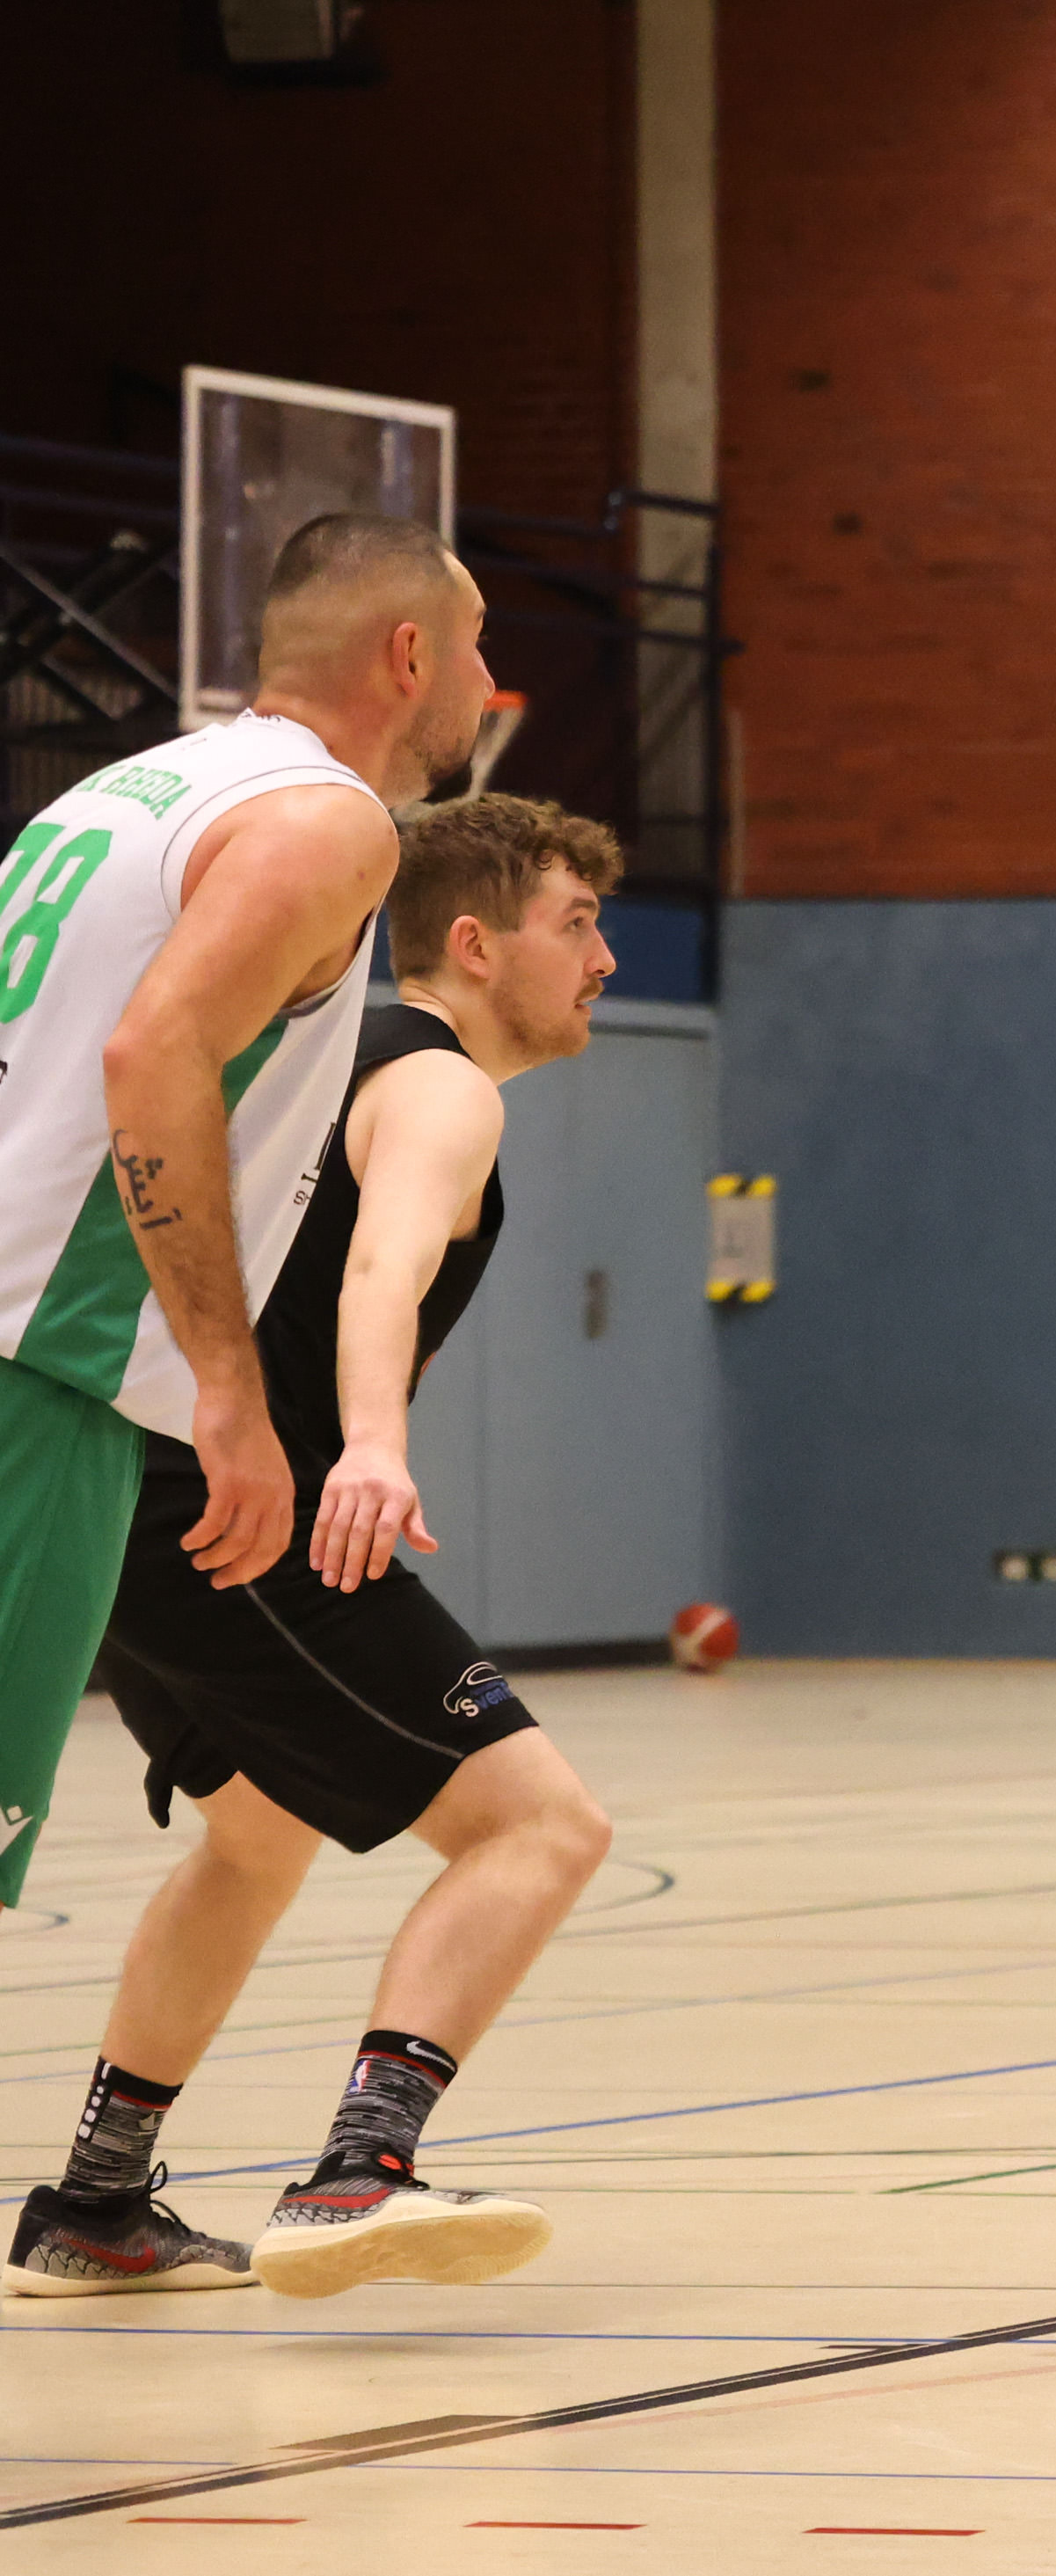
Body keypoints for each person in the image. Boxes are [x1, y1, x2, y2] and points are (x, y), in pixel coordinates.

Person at [8, 796, 623, 2302]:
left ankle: (97, 2199)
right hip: (240, 1511)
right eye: (576, 923)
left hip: (116, 1489)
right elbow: (383, 1270)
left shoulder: (306, 1055)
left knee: (261, 1832)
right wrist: (372, 1440)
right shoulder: (440, 1085)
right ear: (473, 944)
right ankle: (363, 2167)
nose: (603, 957)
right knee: (542, 1826)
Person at [0, 513, 461, 1922]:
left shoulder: (115, 796)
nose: (485, 679)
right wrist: (227, 1384)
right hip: (43, 1366)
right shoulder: (328, 821)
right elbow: (155, 1054)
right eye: (476, 645)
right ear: (408, 655)